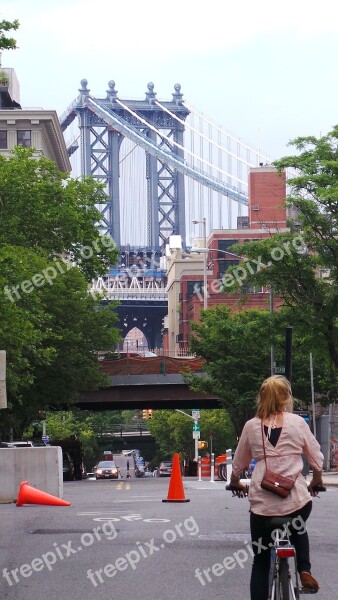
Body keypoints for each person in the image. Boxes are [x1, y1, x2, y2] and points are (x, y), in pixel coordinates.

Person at [230, 375, 324, 599]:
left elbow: (239, 462)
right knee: (298, 524)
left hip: (263, 505)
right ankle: (304, 570)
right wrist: (316, 480)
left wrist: (235, 482)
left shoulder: (251, 426)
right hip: (295, 499)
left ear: (261, 398)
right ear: (286, 398)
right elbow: (316, 458)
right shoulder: (297, 423)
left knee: (260, 561)